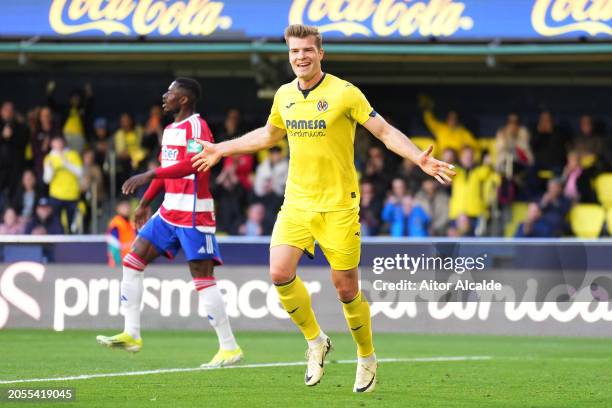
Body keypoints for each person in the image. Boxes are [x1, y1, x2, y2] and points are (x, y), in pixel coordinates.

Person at [191, 24, 455, 393]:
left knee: (346, 289)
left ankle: (366, 356)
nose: (300, 56)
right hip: (297, 203)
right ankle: (316, 341)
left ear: (320, 53)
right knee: (279, 273)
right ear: (289, 56)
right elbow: (268, 135)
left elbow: (383, 131)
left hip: (338, 207)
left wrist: (418, 158)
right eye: (294, 51)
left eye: (307, 50)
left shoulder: (345, 93)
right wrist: (221, 148)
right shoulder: (284, 95)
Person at [96, 78, 242, 368]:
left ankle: (229, 347)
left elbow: (195, 162)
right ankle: (132, 333)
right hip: (168, 211)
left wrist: (148, 176)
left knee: (202, 278)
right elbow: (167, 170)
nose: (165, 96)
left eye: (171, 92)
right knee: (132, 261)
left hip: (193, 214)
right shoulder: (171, 129)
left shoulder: (196, 127)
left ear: (184, 99)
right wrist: (145, 202)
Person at [43, 134, 83, 233]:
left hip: (71, 195)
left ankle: (72, 246)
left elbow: (80, 173)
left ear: (63, 142)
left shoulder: (73, 155)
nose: (58, 144)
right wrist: (50, 169)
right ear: (51, 144)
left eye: (59, 141)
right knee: (57, 224)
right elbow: (47, 179)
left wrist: (66, 164)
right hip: (56, 195)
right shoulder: (49, 158)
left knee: (71, 225)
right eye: (55, 142)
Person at [106, 199, 136, 268]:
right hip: (118, 259)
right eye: (123, 207)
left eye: (128, 207)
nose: (126, 209)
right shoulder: (116, 222)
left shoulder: (131, 222)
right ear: (118, 209)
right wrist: (122, 247)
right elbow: (112, 241)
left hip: (129, 258)